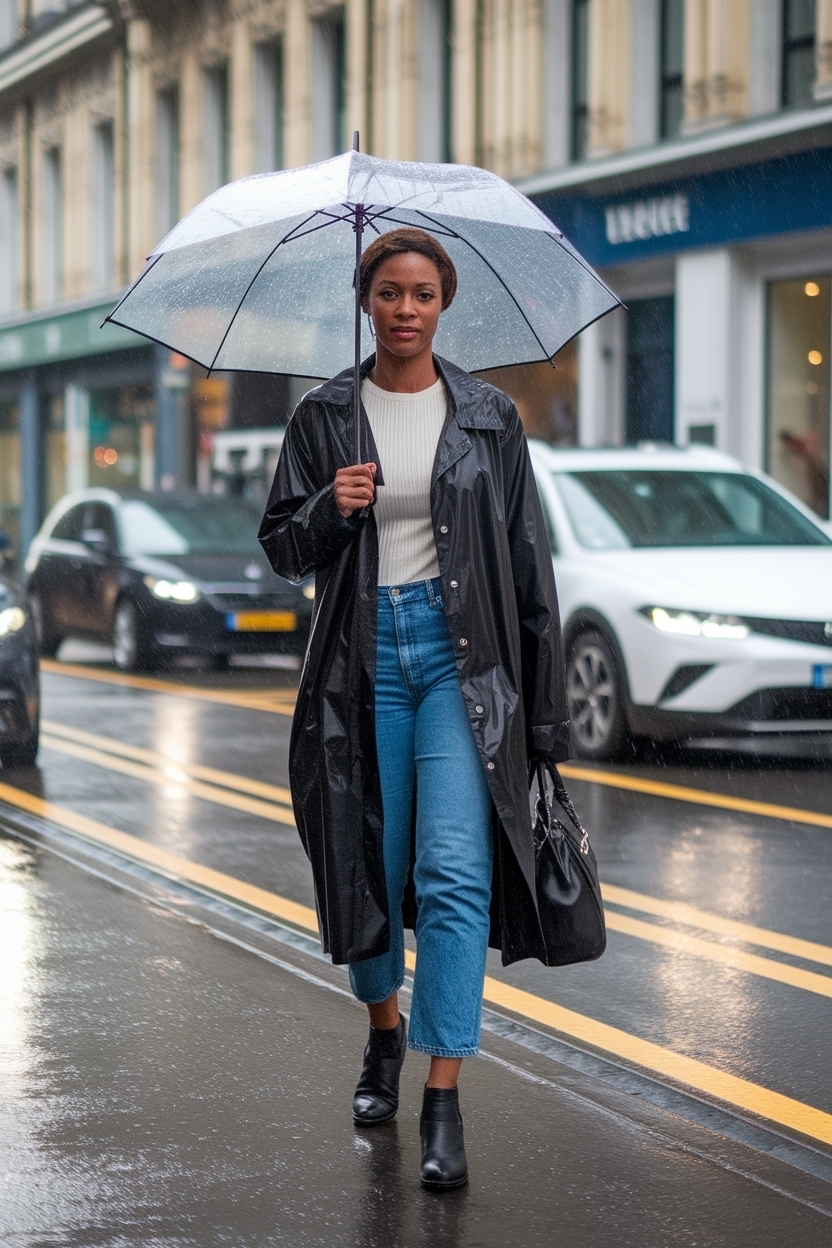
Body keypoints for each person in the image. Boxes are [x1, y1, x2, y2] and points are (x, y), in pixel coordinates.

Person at [259, 227, 570, 1191]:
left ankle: (443, 1096)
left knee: (451, 872)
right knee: (368, 873)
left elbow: (528, 569)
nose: (406, 309)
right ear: (366, 301)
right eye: (389, 292)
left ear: (445, 304)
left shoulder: (488, 416)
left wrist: (547, 725)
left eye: (423, 294)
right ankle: (383, 1033)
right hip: (360, 665)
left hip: (459, 662)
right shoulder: (323, 416)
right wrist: (330, 508)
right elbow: (280, 547)